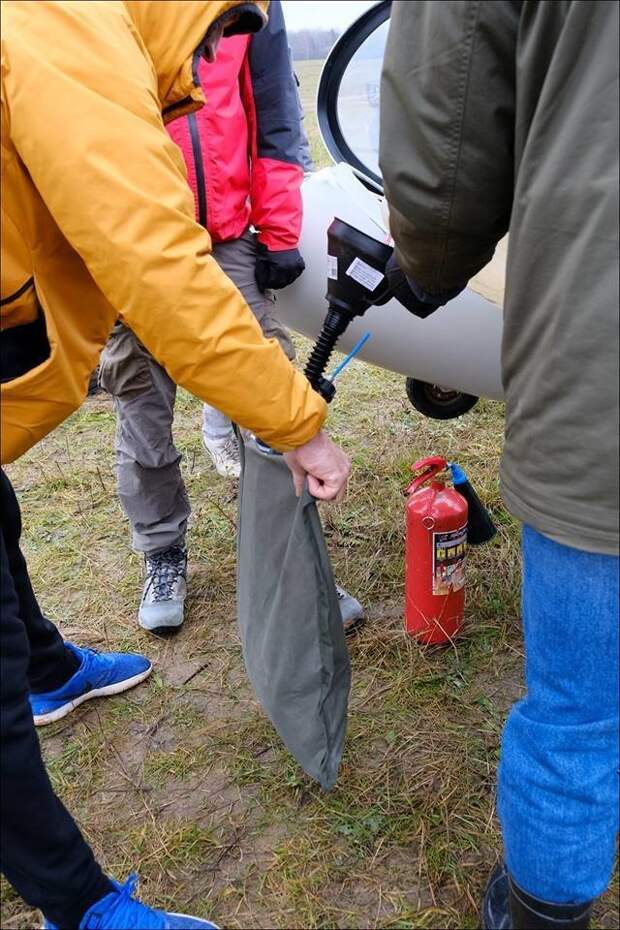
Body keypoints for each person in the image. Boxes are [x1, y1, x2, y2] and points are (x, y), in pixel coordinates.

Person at [0, 2, 350, 927]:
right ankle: (78, 908)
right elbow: (158, 267)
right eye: (206, 44)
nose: (202, 73)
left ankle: (46, 670)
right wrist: (300, 424)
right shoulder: (66, 36)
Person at [379, 2, 619, 928]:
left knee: (578, 714)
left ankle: (543, 909)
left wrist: (431, 263)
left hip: (601, 377)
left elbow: (442, 166)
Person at [99, 0, 363, 636]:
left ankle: (295, 558)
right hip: (125, 238)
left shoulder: (254, 5)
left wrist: (275, 230)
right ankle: (162, 548)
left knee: (268, 391)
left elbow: (274, 117)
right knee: (142, 406)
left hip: (225, 235)